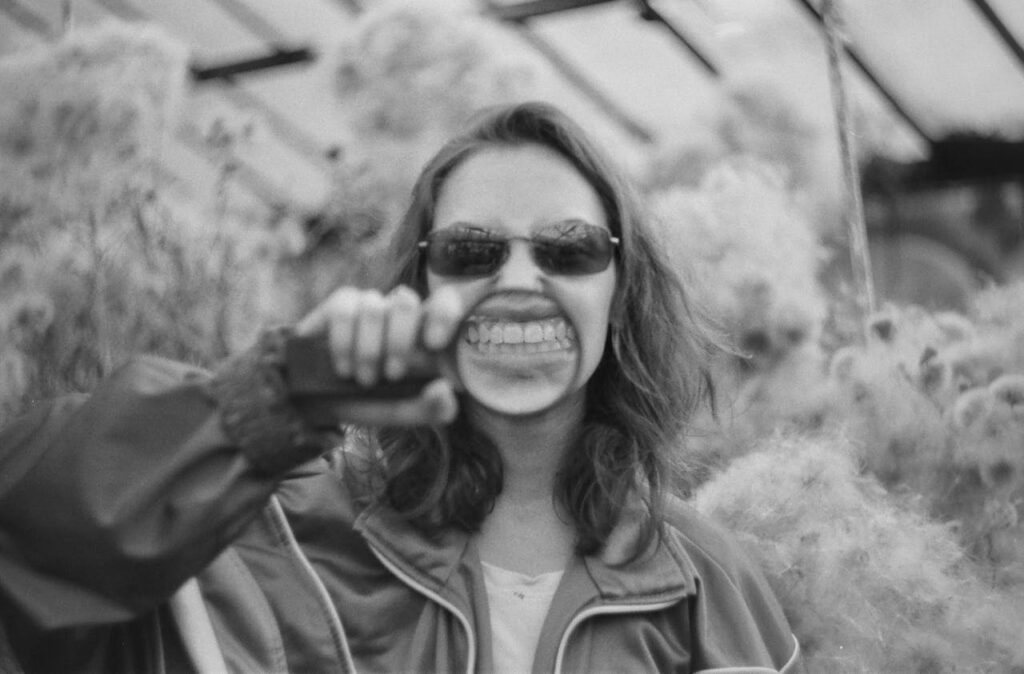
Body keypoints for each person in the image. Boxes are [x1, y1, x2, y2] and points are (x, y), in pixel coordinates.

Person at [0, 102, 800, 673]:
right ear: (417, 285)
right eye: (471, 251)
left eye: (569, 250)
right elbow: (27, 552)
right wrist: (272, 400)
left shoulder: (711, 586)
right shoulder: (266, 524)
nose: (519, 281)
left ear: (621, 292)